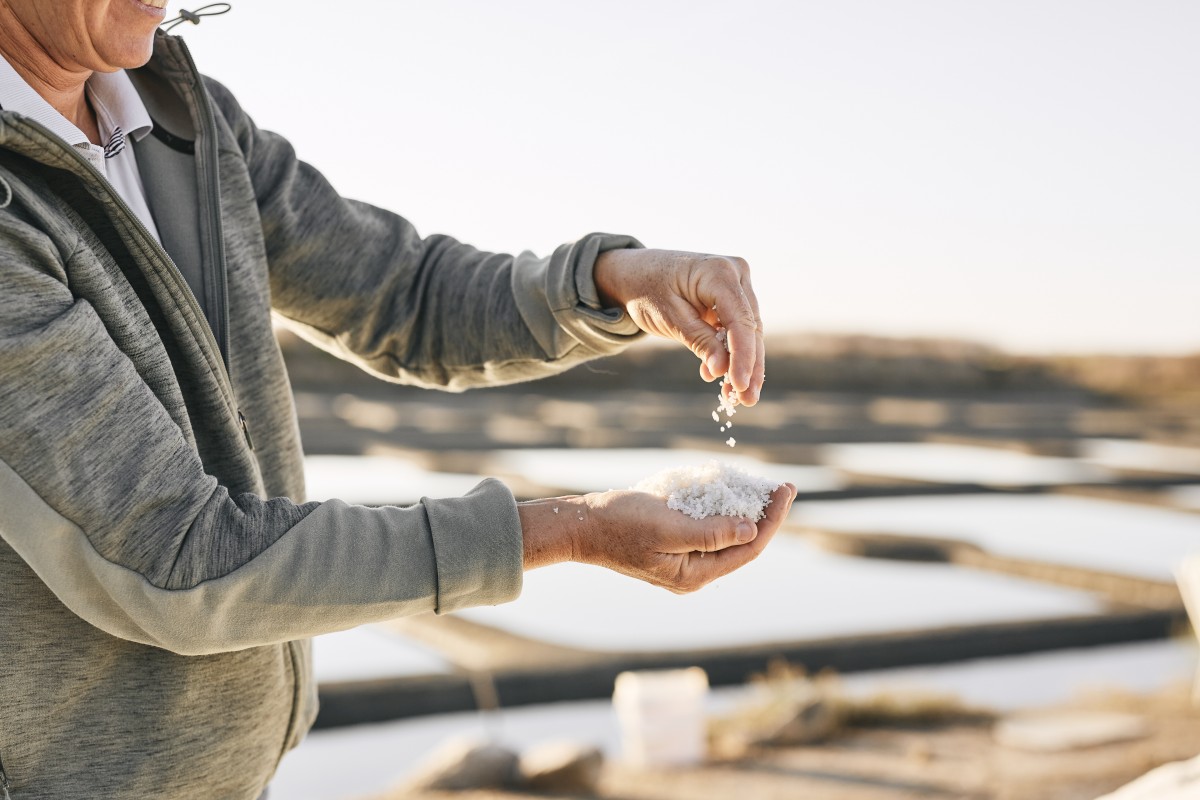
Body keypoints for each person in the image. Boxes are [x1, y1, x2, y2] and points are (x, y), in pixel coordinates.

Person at [0, 2, 795, 798]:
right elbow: (179, 557)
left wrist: (609, 283)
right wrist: (574, 531)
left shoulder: (184, 111)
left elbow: (401, 294)